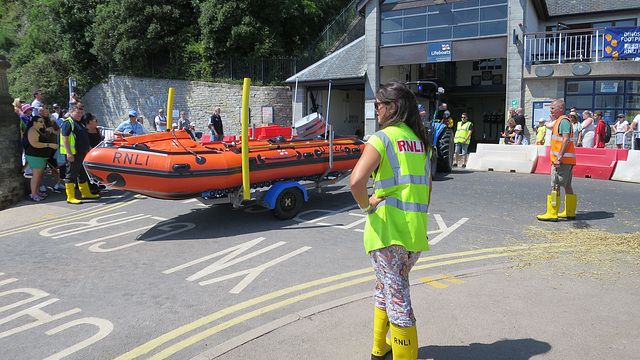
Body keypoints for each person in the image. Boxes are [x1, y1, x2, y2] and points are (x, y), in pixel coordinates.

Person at [349, 82, 431, 360]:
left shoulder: (382, 139)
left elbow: (357, 181)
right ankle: (379, 348)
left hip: (387, 232)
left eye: (378, 105)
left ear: (392, 107)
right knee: (386, 287)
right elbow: (427, 189)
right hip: (414, 233)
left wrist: (365, 204)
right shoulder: (421, 143)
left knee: (397, 298)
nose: (376, 110)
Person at [537, 99, 576, 222]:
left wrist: (558, 158)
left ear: (561, 109)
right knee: (567, 185)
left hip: (561, 160)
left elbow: (565, 140)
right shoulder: (561, 121)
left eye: (553, 108)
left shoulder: (563, 122)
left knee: (555, 185)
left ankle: (552, 212)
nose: (551, 110)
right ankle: (569, 212)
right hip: (566, 160)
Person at [60, 105, 100, 204]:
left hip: (82, 153)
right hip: (74, 153)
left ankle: (85, 193)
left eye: (81, 113)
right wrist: (69, 153)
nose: (80, 115)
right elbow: (64, 138)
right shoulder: (68, 123)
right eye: (77, 113)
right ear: (72, 112)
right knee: (71, 174)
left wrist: (88, 147)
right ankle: (70, 197)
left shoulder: (80, 123)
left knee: (83, 174)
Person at [24, 116, 59, 201]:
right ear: (34, 122)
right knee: (36, 175)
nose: (43, 123)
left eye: (43, 122)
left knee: (39, 175)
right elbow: (34, 143)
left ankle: (36, 191)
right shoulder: (32, 131)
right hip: (35, 156)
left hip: (40, 156)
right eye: (40, 122)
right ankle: (34, 194)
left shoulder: (38, 130)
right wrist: (50, 145)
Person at [39, 106, 64, 192]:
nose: (48, 113)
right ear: (40, 113)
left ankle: (58, 183)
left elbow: (60, 131)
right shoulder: (38, 122)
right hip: (42, 148)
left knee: (54, 167)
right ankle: (41, 185)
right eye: (45, 112)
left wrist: (53, 131)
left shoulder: (52, 121)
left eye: (48, 111)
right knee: (42, 168)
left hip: (53, 147)